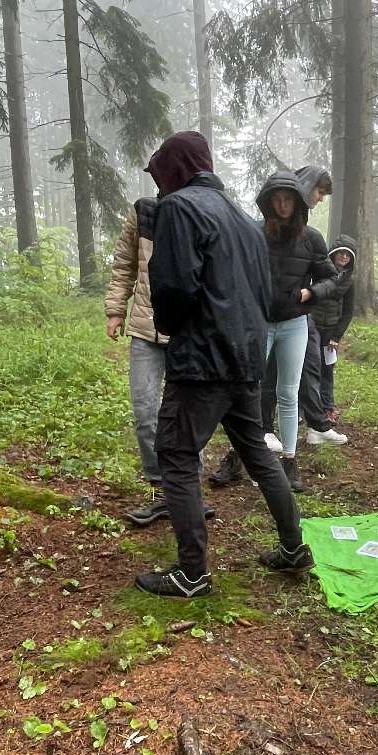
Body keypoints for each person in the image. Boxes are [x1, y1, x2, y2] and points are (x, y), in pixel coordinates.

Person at [134, 132, 313, 598]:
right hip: (247, 355)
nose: (159, 185)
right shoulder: (243, 218)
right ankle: (294, 548)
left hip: (202, 357)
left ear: (174, 168)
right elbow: (259, 291)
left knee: (175, 455)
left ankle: (192, 573)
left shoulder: (180, 208)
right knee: (255, 449)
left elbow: (175, 289)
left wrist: (171, 328)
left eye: (160, 174)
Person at [105, 151, 215, 527]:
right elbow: (124, 264)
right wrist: (115, 310)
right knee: (145, 411)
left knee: (186, 416)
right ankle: (160, 491)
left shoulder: (198, 212)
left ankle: (189, 491)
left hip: (187, 333)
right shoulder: (144, 212)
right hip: (144, 329)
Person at [254, 171, 344, 492]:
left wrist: (310, 294)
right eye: (276, 199)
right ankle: (246, 459)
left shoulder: (312, 238)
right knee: (250, 390)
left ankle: (290, 463)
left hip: (294, 324)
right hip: (260, 323)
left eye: (288, 199)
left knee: (288, 392)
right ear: (268, 201)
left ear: (296, 202)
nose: (282, 204)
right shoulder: (255, 234)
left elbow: (333, 279)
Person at [312, 235, 358, 421]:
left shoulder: (350, 281)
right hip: (311, 327)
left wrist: (336, 337)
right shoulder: (319, 273)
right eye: (341, 253)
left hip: (330, 331)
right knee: (308, 368)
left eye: (348, 255)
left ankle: (327, 409)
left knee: (327, 370)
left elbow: (348, 312)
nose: (344, 257)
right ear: (333, 253)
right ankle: (301, 409)